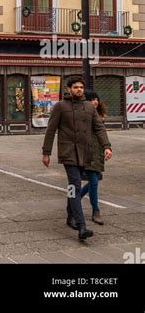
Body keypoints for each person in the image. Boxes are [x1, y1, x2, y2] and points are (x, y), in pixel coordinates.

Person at [42, 75, 112, 242]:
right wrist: (46, 152)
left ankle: (69, 215)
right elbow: (51, 130)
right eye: (76, 87)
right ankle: (81, 226)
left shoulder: (89, 107)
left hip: (86, 152)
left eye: (81, 87)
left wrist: (106, 146)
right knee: (74, 184)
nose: (79, 90)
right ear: (69, 89)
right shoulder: (60, 106)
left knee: (74, 187)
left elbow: (99, 128)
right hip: (69, 153)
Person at [81, 90, 108, 225]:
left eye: (97, 99)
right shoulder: (84, 115)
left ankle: (74, 199)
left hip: (98, 152)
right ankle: (95, 210)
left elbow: (102, 134)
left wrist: (106, 148)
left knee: (94, 180)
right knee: (94, 181)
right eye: (92, 99)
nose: (95, 102)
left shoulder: (99, 115)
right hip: (88, 151)